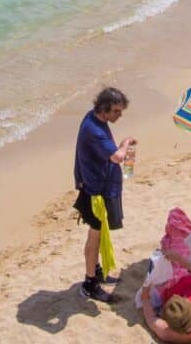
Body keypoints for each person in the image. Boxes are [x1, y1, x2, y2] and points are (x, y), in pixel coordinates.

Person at [75, 87, 136, 302]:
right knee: (95, 236)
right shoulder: (94, 130)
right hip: (95, 193)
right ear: (105, 108)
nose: (119, 115)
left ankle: (97, 271)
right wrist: (126, 143)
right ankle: (89, 283)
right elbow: (117, 157)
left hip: (98, 186)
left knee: (100, 234)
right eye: (117, 111)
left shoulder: (95, 120)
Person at [140, 211, 191, 343]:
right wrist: (181, 260)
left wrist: (145, 293)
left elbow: (149, 314)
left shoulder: (167, 333)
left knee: (174, 225)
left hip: (175, 282)